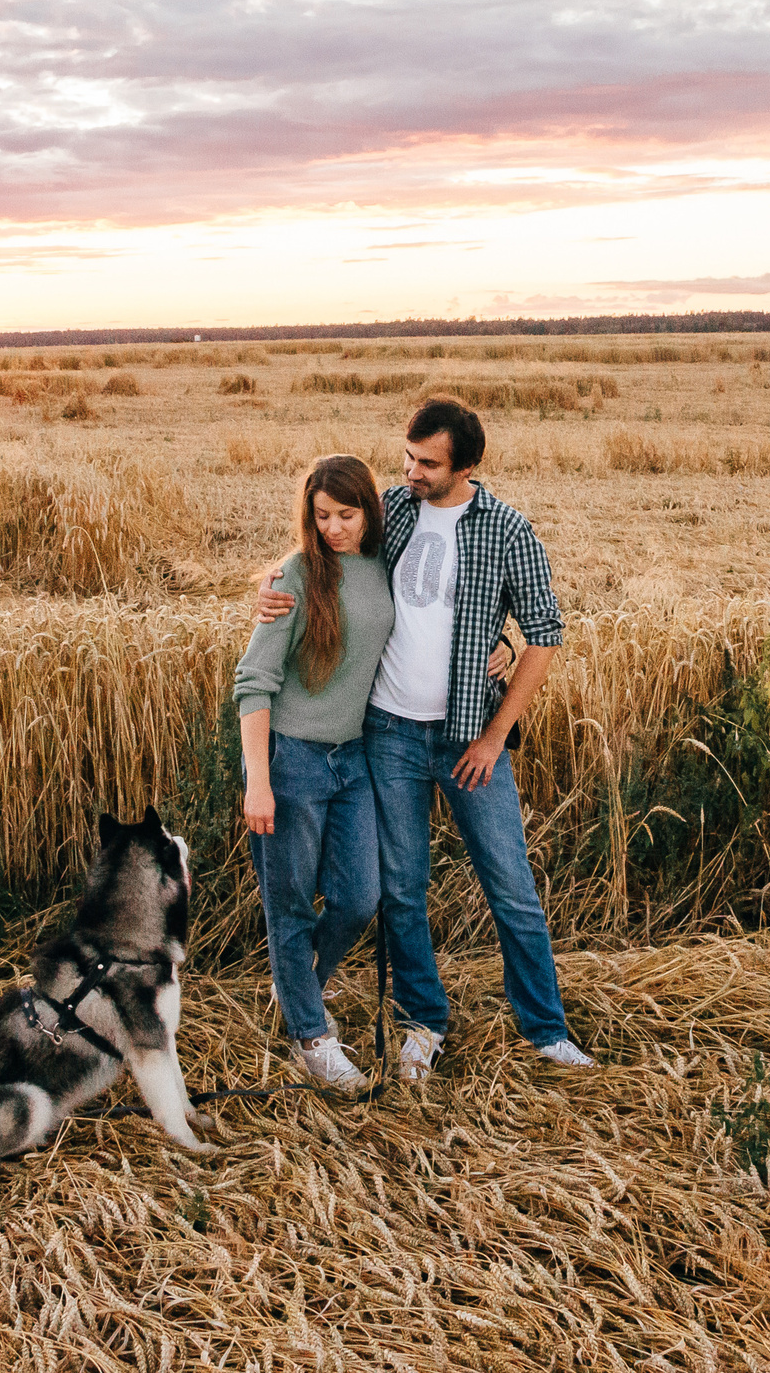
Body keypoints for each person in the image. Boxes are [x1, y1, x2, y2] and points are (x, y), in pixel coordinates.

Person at [260, 395, 594, 1081]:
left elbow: (545, 634)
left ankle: (546, 1030)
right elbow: (323, 552)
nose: (411, 471)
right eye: (408, 457)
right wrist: (267, 586)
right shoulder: (394, 510)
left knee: (511, 887)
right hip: (387, 732)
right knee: (402, 891)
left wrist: (496, 735)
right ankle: (423, 1020)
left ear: (465, 466)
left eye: (428, 464)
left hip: (470, 739)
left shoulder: (508, 531)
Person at [233, 454, 395, 1092]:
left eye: (346, 515)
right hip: (291, 760)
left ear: (369, 510)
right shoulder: (296, 576)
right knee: (291, 903)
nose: (333, 528)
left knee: (359, 898)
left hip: (352, 758)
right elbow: (253, 682)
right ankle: (311, 1036)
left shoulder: (383, 564)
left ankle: (298, 986)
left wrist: (498, 645)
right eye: (321, 516)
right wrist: (258, 781)